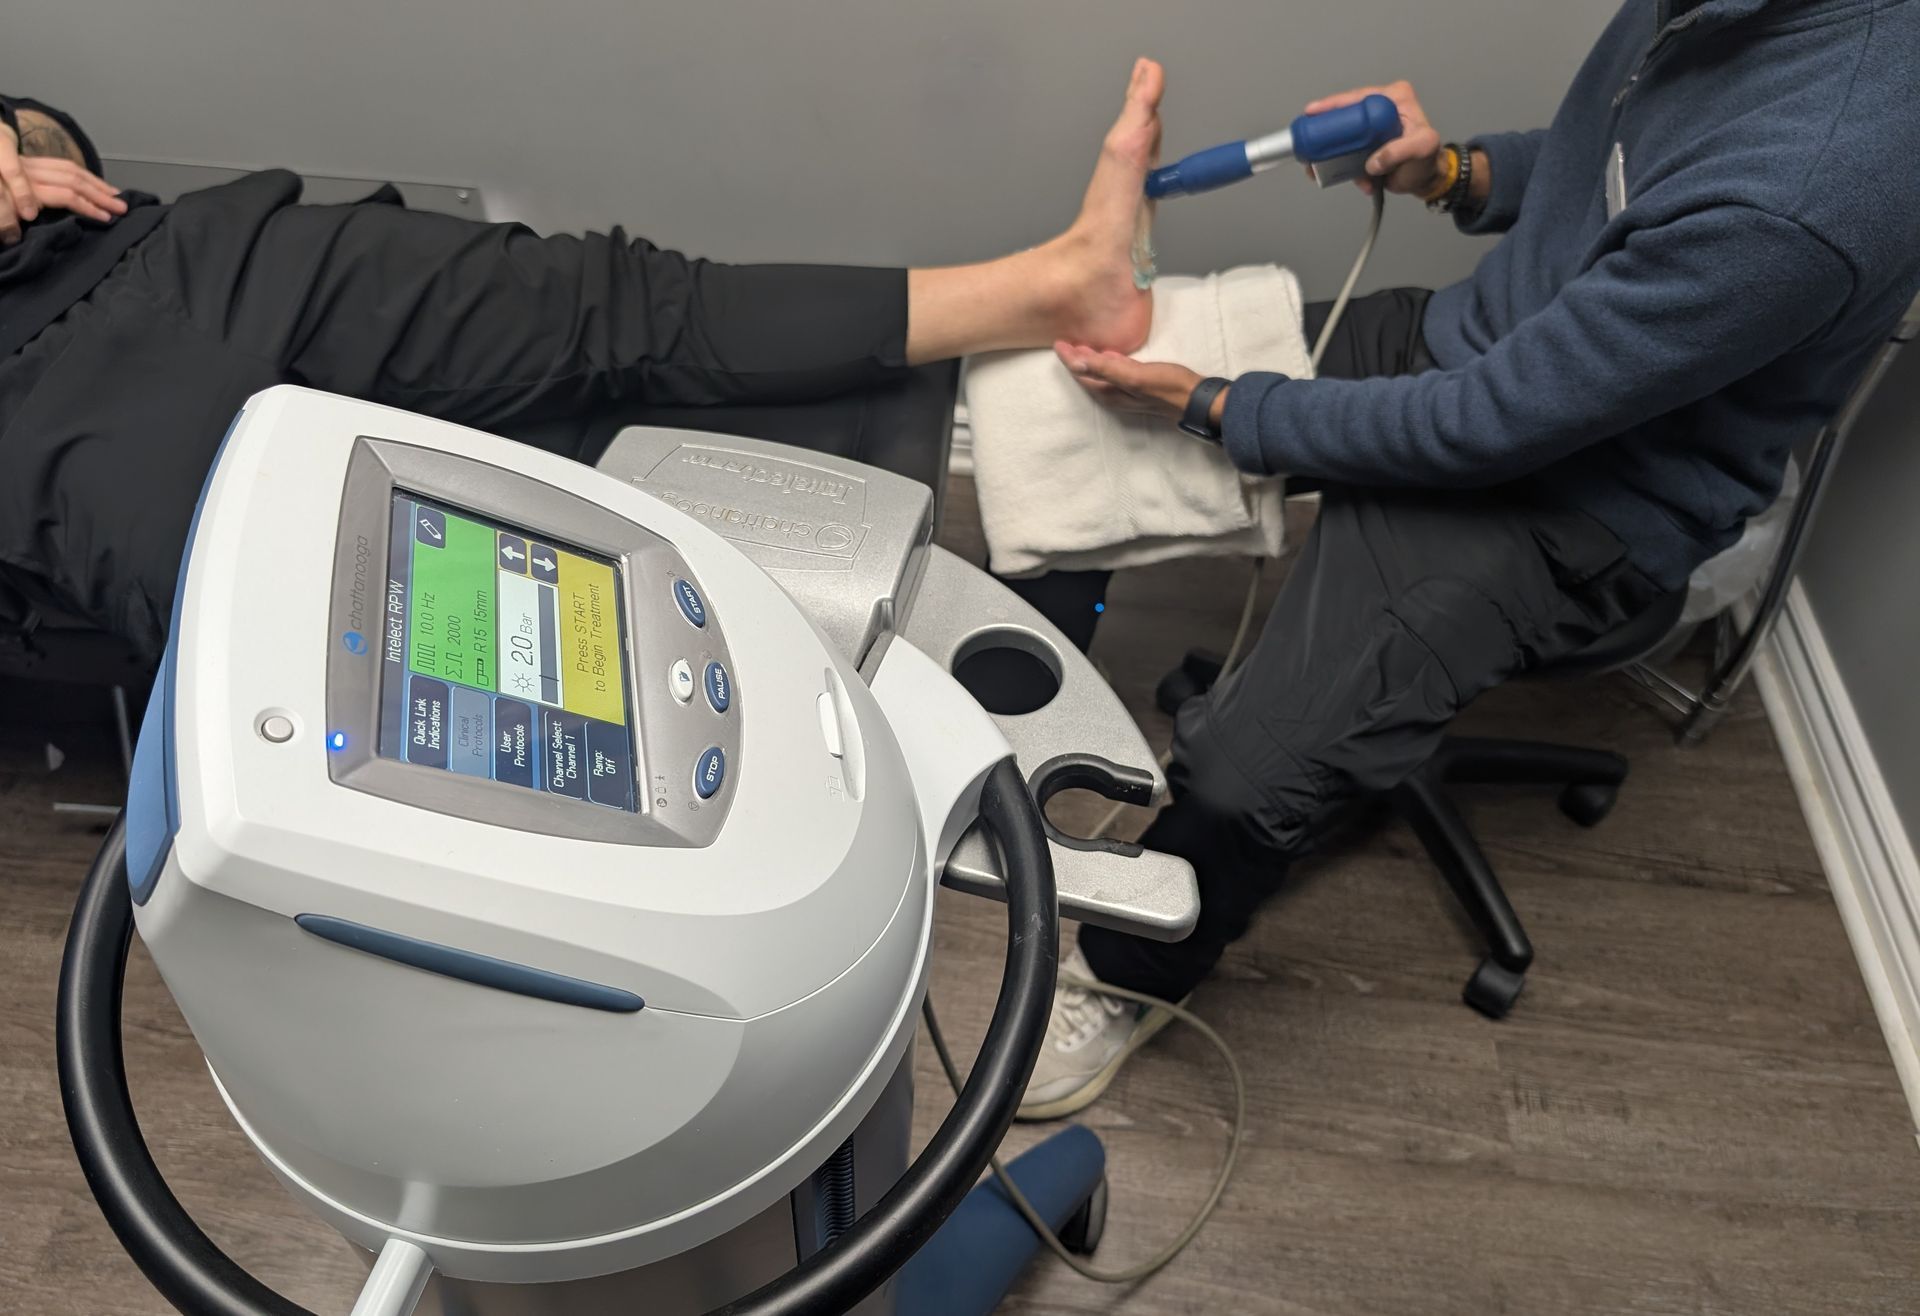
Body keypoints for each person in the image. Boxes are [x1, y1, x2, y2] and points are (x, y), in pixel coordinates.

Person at [1022, 0, 1920, 1120]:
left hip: (1566, 495)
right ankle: (990, 738)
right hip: (1490, 350)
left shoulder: (1823, 176)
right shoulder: (1715, 14)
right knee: (1053, 415)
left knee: (1249, 781)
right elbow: (1622, 173)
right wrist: (1452, 169)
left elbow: (1488, 425)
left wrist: (1218, 406)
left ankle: (1125, 974)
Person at [0, 61, 1166, 660]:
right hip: (36, 414)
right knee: (375, 631)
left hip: (160, 251)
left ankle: (1056, 282)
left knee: (608, 304)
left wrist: (9, 140)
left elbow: (56, 132)